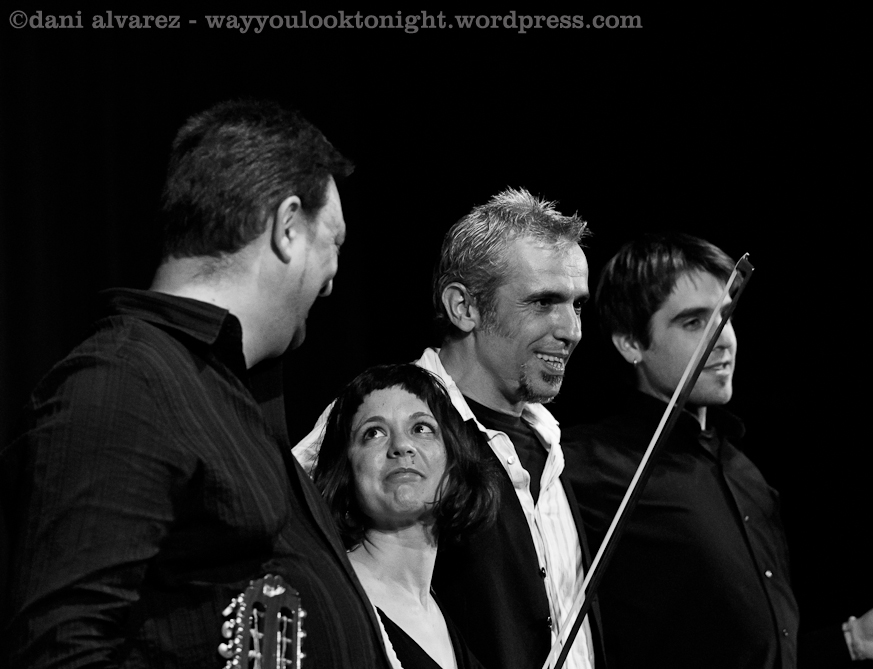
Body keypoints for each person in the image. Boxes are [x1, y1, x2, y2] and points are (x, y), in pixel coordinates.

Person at [0, 100, 391, 668]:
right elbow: (58, 652)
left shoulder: (216, 389)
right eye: (334, 241)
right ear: (286, 228)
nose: (331, 282)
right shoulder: (121, 384)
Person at [562, 232, 873, 668]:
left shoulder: (744, 473)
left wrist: (850, 642)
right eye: (693, 323)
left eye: (726, 316)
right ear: (630, 342)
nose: (724, 340)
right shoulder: (585, 464)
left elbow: (748, 653)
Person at [295, 188, 605, 669]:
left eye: (577, 305)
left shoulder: (550, 440)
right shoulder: (377, 416)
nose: (571, 330)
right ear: (463, 307)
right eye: (543, 302)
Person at [313, 363, 502, 669]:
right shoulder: (327, 598)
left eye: (421, 429)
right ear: (345, 470)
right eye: (373, 433)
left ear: (454, 460)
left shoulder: (439, 612)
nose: (401, 446)